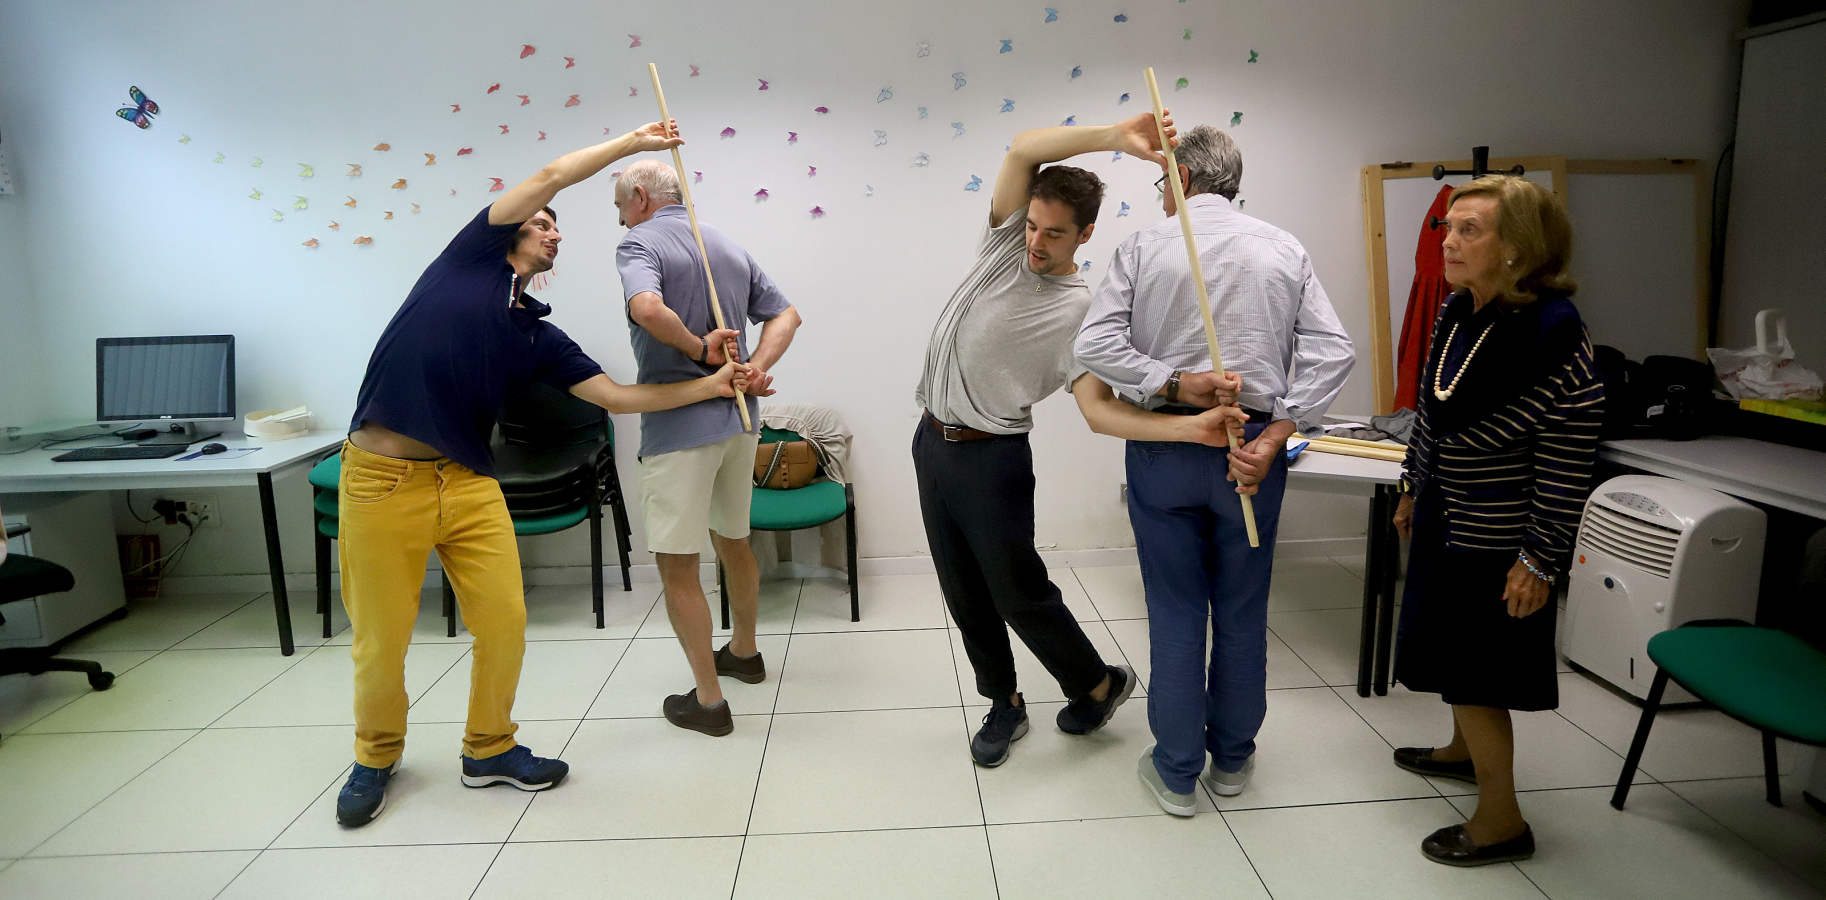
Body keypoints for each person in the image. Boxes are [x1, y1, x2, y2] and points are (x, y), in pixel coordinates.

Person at [334, 121, 750, 827]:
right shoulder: (466, 261)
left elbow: (617, 397)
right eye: (540, 223)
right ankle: (375, 756)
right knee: (382, 637)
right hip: (382, 478)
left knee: (505, 623)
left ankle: (489, 748)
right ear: (510, 232)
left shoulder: (535, 333)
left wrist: (708, 386)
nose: (552, 231)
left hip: (468, 480)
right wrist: (635, 143)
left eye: (558, 228)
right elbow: (555, 173)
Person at [1074, 124, 1353, 816]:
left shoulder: (1144, 246)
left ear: (1184, 180)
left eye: (1163, 182)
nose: (1162, 196)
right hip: (1251, 449)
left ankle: (1176, 772)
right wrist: (1280, 429)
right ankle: (1231, 761)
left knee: (1175, 611)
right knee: (1241, 610)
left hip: (1167, 447)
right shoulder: (1283, 247)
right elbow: (1333, 351)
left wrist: (1172, 383)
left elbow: (1095, 344)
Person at [913, 113, 1176, 768]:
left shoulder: (1082, 311)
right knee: (962, 589)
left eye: (1053, 233)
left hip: (993, 457)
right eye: (1033, 225)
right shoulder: (1006, 245)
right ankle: (1004, 703)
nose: (1036, 240)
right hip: (933, 441)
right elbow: (1024, 148)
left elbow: (1097, 409)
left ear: (1085, 234)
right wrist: (1115, 138)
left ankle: (1096, 684)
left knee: (1016, 590)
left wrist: (1186, 423)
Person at [1390, 175, 1602, 866]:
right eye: (1447, 229)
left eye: (1469, 230)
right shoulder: (1460, 309)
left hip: (1499, 536)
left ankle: (1502, 821)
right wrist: (1411, 487)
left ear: (1518, 247)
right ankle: (1460, 752)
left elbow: (1569, 453)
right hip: (1446, 514)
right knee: (1452, 654)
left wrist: (1539, 557)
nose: (1448, 242)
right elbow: (1431, 413)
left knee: (1480, 675)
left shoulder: (1552, 329)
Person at [613, 159, 801, 737]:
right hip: (739, 424)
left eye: (620, 206)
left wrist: (700, 350)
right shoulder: (725, 244)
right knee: (734, 542)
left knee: (678, 565)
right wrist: (752, 369)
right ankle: (744, 652)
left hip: (679, 430)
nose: (620, 219)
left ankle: (709, 701)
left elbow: (646, 307)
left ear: (640, 195)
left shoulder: (639, 244)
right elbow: (787, 315)